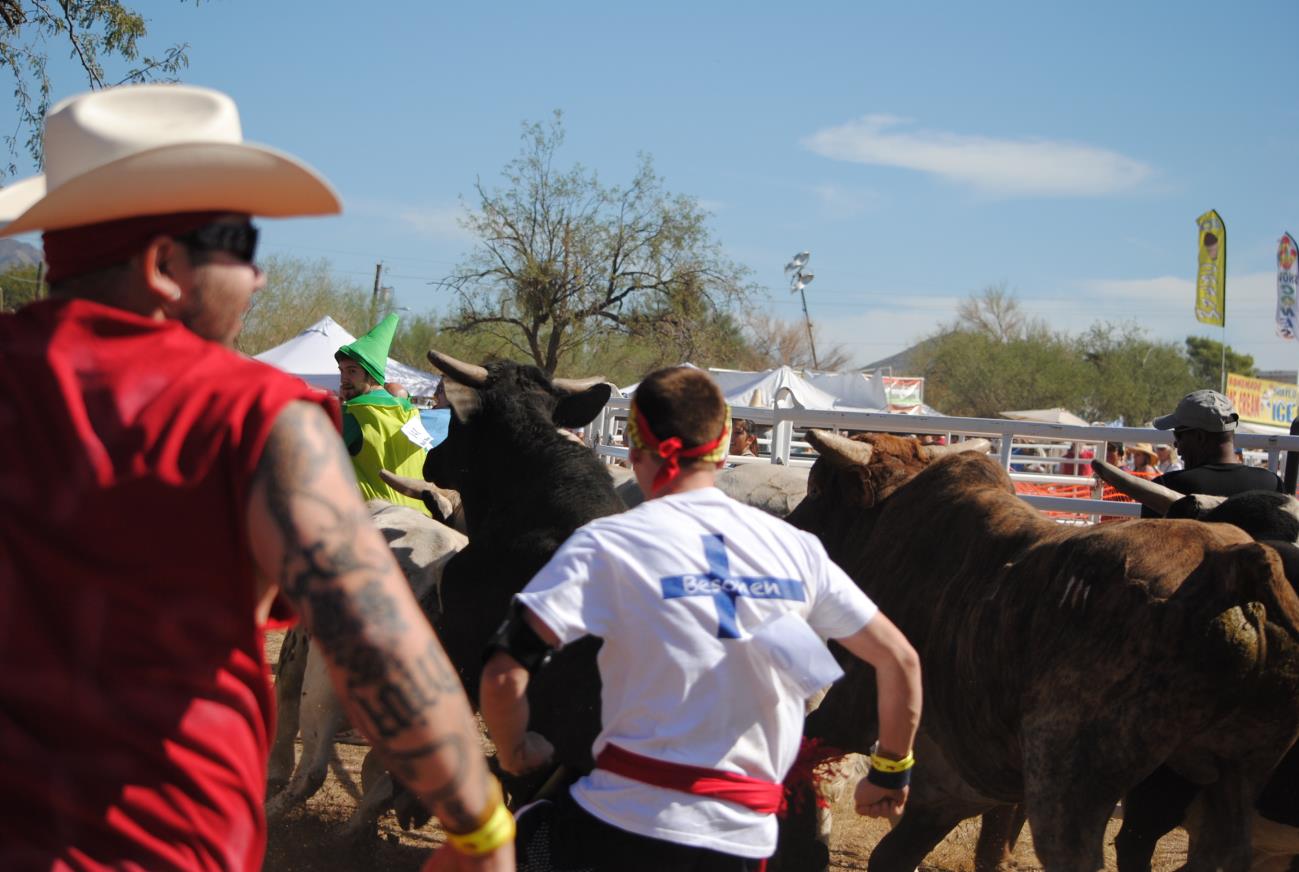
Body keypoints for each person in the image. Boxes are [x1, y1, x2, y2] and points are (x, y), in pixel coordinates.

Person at [0, 84, 511, 871]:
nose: (261, 278)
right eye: (240, 243)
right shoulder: (251, 416)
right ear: (163, 261)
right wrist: (481, 830)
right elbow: (378, 645)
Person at [479, 366, 923, 871]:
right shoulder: (797, 549)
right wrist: (890, 772)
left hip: (620, 825)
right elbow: (899, 660)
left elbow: (502, 670)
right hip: (743, 840)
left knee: (528, 836)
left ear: (633, 447)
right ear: (723, 443)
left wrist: (517, 750)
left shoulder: (608, 543)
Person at [336, 313, 434, 516]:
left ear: (371, 375)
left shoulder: (352, 413)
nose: (344, 378)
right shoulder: (410, 412)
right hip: (423, 517)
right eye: (342, 371)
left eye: (352, 371)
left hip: (377, 524)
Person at [1140, 389, 1284, 518]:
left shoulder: (1165, 488)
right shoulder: (1271, 484)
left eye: (1178, 436)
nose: (1176, 445)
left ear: (1200, 437)